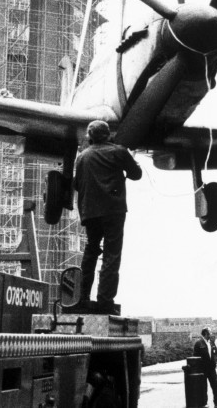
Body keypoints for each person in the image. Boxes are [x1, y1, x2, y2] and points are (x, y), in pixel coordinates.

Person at [74, 120, 142, 315]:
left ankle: (82, 297)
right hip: (113, 210)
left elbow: (77, 184)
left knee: (91, 251)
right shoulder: (118, 151)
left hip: (90, 212)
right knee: (111, 255)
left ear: (90, 136)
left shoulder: (82, 157)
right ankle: (105, 300)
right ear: (108, 134)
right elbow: (136, 174)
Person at [193, 327, 217, 406]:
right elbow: (195, 357)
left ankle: (216, 403)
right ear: (205, 334)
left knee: (215, 385)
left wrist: (215, 361)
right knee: (203, 387)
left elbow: (215, 353)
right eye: (210, 333)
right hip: (203, 369)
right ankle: (205, 403)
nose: (211, 334)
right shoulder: (198, 343)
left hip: (211, 369)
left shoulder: (211, 343)